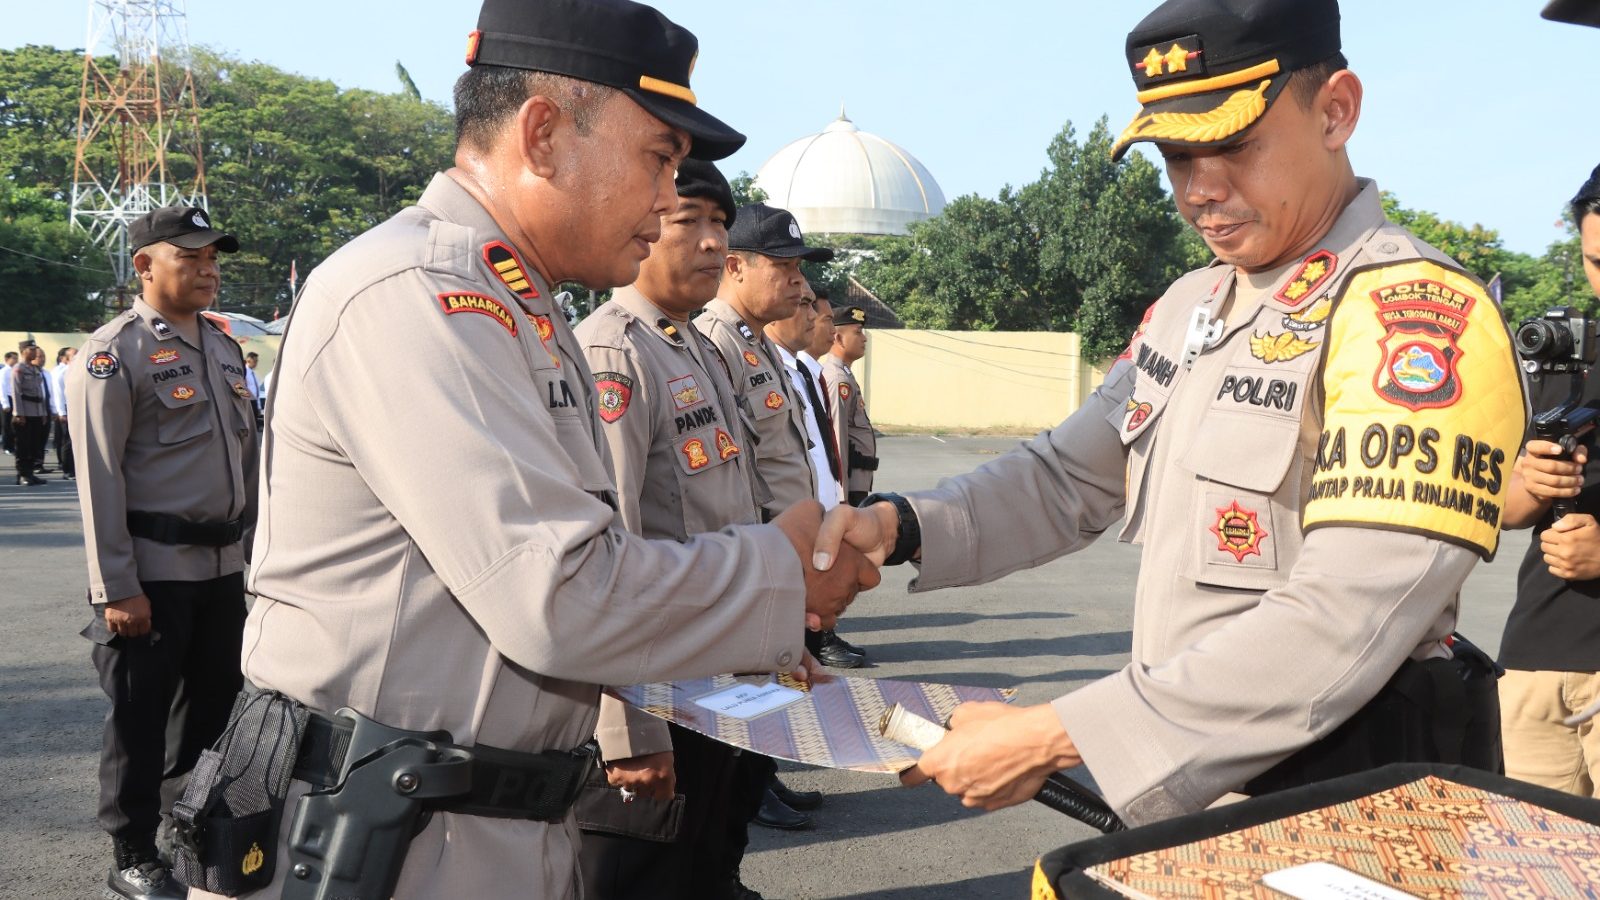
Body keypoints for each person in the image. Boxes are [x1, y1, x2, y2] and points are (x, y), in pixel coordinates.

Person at [190, 3, 878, 897]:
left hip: (474, 823)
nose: (668, 199)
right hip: (384, 842)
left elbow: (598, 567)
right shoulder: (422, 293)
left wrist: (746, 646)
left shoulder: (521, 306)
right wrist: (778, 573)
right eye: (658, 158)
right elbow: (558, 596)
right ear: (544, 135)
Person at [818, 0, 1525, 827]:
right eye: (1177, 156)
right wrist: (899, 525)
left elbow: (1349, 614)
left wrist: (1055, 735)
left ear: (1336, 111)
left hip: (1341, 808)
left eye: (1234, 145)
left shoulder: (1415, 317)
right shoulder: (1193, 304)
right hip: (1191, 798)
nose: (1200, 190)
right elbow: (1068, 476)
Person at [574, 159, 788, 900]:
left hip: (717, 681)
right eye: (688, 221)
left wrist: (770, 643)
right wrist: (628, 730)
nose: (712, 242)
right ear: (642, 227)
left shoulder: (695, 345)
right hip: (658, 694)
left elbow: (736, 515)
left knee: (702, 868)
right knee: (644, 880)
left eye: (719, 224)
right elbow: (605, 553)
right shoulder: (616, 353)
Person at [67, 205, 258, 900]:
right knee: (139, 720)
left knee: (213, 717)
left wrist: (257, 562)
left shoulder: (224, 348)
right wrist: (116, 587)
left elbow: (249, 466)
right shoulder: (114, 353)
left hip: (222, 569)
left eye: (213, 258)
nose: (209, 270)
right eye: (191, 257)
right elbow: (99, 479)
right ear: (145, 265)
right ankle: (132, 852)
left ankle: (189, 838)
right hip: (151, 573)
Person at [1496, 163, 1600, 796]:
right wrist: (1534, 482)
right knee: (1524, 850)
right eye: (1596, 261)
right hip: (1535, 663)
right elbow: (1508, 512)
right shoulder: (1565, 355)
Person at [696, 203, 831, 521]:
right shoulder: (715, 343)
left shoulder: (760, 343)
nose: (799, 280)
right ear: (735, 267)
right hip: (762, 540)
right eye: (783, 265)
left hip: (791, 540)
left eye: (798, 267)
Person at [822, 305, 877, 506]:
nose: (864, 338)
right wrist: (842, 496)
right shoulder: (838, 379)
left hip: (856, 482)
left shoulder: (845, 375)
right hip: (849, 487)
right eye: (857, 332)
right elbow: (837, 439)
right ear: (838, 338)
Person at [10, 344, 53, 485]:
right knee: (23, 446)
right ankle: (23, 475)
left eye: (35, 350)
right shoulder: (19, 368)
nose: (35, 352)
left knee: (34, 445)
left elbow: (40, 392)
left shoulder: (35, 369)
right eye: (32, 350)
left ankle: (30, 473)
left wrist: (43, 412)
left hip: (37, 412)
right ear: (24, 351)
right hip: (25, 413)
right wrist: (18, 413)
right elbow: (16, 392)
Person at [51, 346, 76, 479]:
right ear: (66, 359)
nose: (78, 356)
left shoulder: (76, 370)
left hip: (76, 407)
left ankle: (74, 467)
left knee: (75, 440)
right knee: (68, 440)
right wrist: (61, 412)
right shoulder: (63, 372)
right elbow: (58, 394)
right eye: (74, 355)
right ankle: (67, 470)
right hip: (66, 408)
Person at [1, 349, 18, 455]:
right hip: (7, 399)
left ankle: (13, 445)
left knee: (14, 424)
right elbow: (2, 388)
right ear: (7, 359)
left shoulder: (15, 370)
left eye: (17, 358)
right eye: (14, 358)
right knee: (6, 424)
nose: (16, 360)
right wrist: (5, 403)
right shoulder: (4, 372)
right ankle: (7, 446)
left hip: (15, 399)